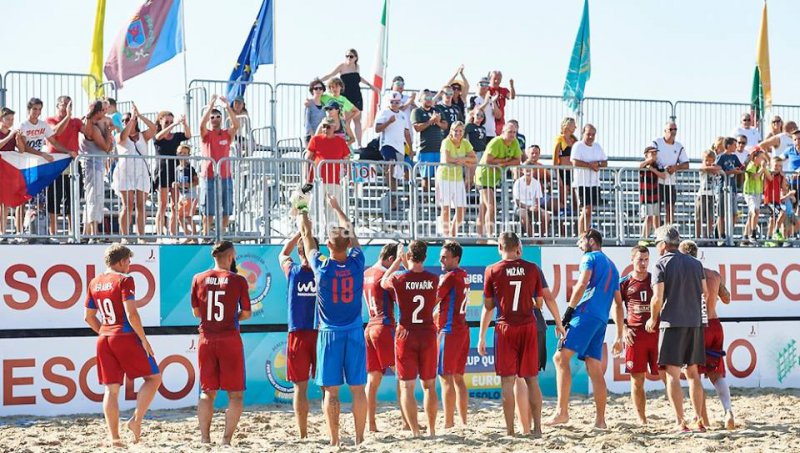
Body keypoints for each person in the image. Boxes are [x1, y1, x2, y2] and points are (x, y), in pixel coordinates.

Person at [298, 194, 367, 446]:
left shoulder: (321, 266)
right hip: (354, 331)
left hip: (329, 333)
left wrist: (303, 208)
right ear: (348, 245)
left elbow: (306, 236)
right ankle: (360, 439)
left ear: (328, 245)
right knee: (358, 389)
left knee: (331, 391)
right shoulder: (358, 262)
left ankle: (335, 440)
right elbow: (351, 232)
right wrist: (337, 207)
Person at [83, 244, 161, 447]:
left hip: (104, 337)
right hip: (124, 335)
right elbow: (131, 314)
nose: (130, 265)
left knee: (111, 390)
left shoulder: (95, 282)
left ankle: (114, 438)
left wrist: (104, 331)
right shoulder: (125, 280)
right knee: (154, 378)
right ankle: (136, 420)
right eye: (127, 261)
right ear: (119, 262)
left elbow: (88, 317)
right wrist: (144, 339)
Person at [548, 229, 623, 429]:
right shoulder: (613, 266)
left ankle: (562, 412)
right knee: (594, 368)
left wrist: (566, 315)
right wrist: (620, 333)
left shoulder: (589, 257)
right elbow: (618, 303)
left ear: (591, 240)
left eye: (581, 240)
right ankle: (600, 421)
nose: (579, 245)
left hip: (587, 312)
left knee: (560, 357)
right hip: (601, 318)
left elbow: (581, 284)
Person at [477, 232, 545, 436]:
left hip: (505, 326)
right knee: (532, 379)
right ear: (518, 247)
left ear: (499, 247)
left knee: (507, 381)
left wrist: (481, 336)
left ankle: (510, 431)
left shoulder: (492, 270)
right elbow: (539, 304)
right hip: (528, 326)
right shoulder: (532, 268)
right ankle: (538, 429)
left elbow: (488, 306)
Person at [645, 225, 708, 432]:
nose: (656, 247)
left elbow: (657, 297)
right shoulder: (695, 264)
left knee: (672, 373)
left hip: (672, 322)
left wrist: (653, 319)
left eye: (656, 243)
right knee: (693, 373)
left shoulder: (661, 264)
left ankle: (680, 421)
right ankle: (699, 420)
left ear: (663, 244)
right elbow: (705, 294)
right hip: (694, 322)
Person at [190, 241, 252, 445]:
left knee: (207, 393)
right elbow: (246, 313)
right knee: (235, 396)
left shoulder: (198, 278)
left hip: (206, 339)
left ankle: (205, 438)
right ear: (230, 256)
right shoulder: (238, 280)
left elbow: (196, 312)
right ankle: (226, 441)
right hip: (229, 339)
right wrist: (230, 317)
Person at [381, 241, 440, 437]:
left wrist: (398, 260)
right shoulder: (434, 279)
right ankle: (431, 430)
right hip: (428, 332)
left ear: (408, 256)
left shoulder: (399, 278)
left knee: (407, 386)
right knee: (429, 385)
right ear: (425, 256)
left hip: (406, 333)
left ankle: (415, 431)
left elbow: (383, 281)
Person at [678, 240, 735, 430]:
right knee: (716, 373)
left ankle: (703, 420)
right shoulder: (714, 274)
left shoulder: (686, 275)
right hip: (715, 325)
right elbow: (727, 299)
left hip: (697, 326)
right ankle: (728, 411)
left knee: (694, 375)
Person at [278, 232, 319, 439]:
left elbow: (283, 253)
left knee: (299, 388)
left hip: (298, 333)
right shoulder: (324, 270)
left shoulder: (293, 271)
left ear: (299, 251)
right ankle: (332, 432)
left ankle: (303, 434)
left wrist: (298, 233)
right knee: (328, 387)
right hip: (321, 332)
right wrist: (306, 235)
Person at [620, 245, 665, 424]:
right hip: (635, 336)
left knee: (667, 376)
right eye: (640, 259)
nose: (644, 263)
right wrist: (623, 329)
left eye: (646, 259)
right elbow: (616, 309)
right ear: (632, 260)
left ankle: (679, 417)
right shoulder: (623, 283)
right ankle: (642, 419)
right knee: (637, 380)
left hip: (656, 335)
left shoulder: (656, 280)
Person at [363, 243, 406, 433]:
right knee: (402, 375)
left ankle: (371, 424)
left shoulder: (366, 273)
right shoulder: (384, 276)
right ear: (390, 259)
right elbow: (402, 298)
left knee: (372, 380)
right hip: (384, 326)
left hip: (370, 326)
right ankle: (407, 421)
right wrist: (400, 264)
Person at [436, 241, 470, 428]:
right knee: (458, 377)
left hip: (450, 331)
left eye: (445, 256)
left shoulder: (448, 277)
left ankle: (449, 423)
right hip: (462, 329)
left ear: (455, 258)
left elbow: (434, 300)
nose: (441, 259)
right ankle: (464, 421)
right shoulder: (464, 275)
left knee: (446, 377)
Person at [114, 105, 157, 241]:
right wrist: (132, 119)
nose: (127, 122)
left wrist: (140, 115)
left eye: (128, 119)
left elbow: (154, 129)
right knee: (127, 205)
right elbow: (123, 136)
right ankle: (124, 236)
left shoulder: (142, 136)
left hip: (141, 173)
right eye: (124, 121)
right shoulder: (120, 136)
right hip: (125, 173)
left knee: (141, 205)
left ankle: (141, 236)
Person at [321, 49, 379, 147]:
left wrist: (370, 85)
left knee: (357, 120)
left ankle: (360, 144)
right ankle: (346, 141)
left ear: (356, 58)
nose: (349, 58)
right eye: (347, 56)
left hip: (356, 95)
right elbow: (331, 75)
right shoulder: (342, 66)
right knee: (346, 120)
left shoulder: (357, 67)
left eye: (351, 56)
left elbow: (359, 78)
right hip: (345, 96)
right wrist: (319, 81)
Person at [199, 95, 239, 237]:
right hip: (209, 176)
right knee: (208, 209)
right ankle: (206, 235)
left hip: (225, 176)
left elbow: (236, 125)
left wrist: (227, 107)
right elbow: (201, 126)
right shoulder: (206, 134)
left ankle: (222, 233)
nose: (215, 119)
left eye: (217, 116)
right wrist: (209, 107)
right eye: (212, 117)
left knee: (227, 207)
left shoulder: (226, 134)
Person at [474, 122, 522, 240]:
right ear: (503, 132)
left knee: (483, 208)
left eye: (514, 132)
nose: (512, 135)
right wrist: (506, 161)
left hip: (494, 178)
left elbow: (517, 161)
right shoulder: (496, 142)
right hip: (484, 176)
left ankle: (480, 239)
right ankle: (490, 236)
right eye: (510, 132)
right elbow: (488, 160)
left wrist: (502, 163)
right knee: (491, 206)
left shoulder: (514, 142)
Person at [305, 118, 351, 232]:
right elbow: (308, 158)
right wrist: (306, 178)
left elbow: (347, 159)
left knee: (333, 210)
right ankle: (313, 234)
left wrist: (348, 176)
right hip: (317, 180)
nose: (325, 129)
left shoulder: (341, 142)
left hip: (334, 181)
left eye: (328, 126)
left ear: (334, 128)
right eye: (324, 126)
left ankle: (331, 235)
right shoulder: (315, 139)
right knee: (313, 208)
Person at [45, 96, 82, 237]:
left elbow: (88, 133)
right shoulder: (50, 120)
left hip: (72, 163)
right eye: (64, 104)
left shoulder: (76, 121)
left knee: (72, 197)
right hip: (55, 162)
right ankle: (53, 233)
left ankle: (73, 232)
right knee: (54, 197)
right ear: (57, 105)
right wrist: (67, 117)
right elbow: (55, 133)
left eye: (69, 104)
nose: (67, 107)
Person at [153, 111, 191, 240]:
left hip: (175, 172)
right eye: (166, 122)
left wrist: (184, 123)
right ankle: (159, 234)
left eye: (171, 121)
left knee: (175, 205)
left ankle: (173, 233)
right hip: (163, 172)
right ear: (160, 122)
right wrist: (174, 124)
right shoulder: (158, 136)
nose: (169, 124)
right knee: (162, 204)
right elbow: (159, 137)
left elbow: (188, 135)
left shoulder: (176, 136)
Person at [80, 101, 115, 239]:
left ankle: (86, 234)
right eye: (103, 110)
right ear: (98, 112)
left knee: (93, 198)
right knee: (94, 198)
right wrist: (107, 130)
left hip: (95, 165)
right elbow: (106, 147)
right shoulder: (92, 127)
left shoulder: (91, 124)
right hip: (93, 165)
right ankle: (93, 234)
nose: (105, 113)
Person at [437, 121, 477, 237]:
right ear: (451, 131)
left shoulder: (465, 143)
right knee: (446, 208)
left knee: (461, 209)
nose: (458, 133)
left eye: (460, 131)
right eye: (456, 130)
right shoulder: (446, 142)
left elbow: (474, 159)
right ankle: (446, 235)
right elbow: (446, 159)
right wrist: (464, 161)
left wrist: (462, 160)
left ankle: (452, 233)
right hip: (445, 177)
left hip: (458, 178)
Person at [571, 124, 608, 236]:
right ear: (583, 134)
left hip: (594, 183)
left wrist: (598, 164)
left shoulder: (597, 146)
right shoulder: (578, 145)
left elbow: (605, 162)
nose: (591, 137)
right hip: (581, 183)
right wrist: (590, 165)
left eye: (593, 134)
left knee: (589, 210)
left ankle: (585, 233)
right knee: (586, 209)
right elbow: (574, 162)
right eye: (588, 134)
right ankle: (581, 235)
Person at [652, 121, 689, 226]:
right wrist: (660, 167)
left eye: (675, 129)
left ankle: (669, 230)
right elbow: (650, 156)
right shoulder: (656, 142)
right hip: (657, 179)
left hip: (670, 181)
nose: (673, 132)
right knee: (656, 208)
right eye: (670, 129)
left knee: (670, 207)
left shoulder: (679, 146)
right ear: (665, 131)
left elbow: (686, 164)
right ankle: (658, 232)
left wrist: (675, 167)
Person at [411, 89, 448, 191]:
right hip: (425, 149)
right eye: (426, 98)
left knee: (439, 177)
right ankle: (425, 201)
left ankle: (437, 201)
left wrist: (438, 122)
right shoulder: (417, 111)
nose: (429, 100)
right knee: (425, 177)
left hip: (438, 149)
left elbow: (445, 126)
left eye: (430, 98)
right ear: (420, 99)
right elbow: (417, 127)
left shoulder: (437, 111)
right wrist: (430, 121)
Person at [375, 91, 412, 192]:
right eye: (392, 102)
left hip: (400, 146)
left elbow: (407, 133)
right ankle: (390, 191)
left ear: (400, 103)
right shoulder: (384, 112)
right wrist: (388, 122)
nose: (394, 104)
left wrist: (411, 149)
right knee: (390, 164)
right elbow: (377, 129)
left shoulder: (403, 115)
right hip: (387, 144)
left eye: (397, 102)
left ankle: (393, 196)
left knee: (397, 173)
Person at [715, 137, 744, 241]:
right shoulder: (721, 157)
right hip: (722, 189)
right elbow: (718, 171)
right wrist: (732, 172)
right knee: (721, 214)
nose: (736, 147)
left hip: (732, 189)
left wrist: (739, 170)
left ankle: (729, 233)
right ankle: (721, 236)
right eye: (734, 145)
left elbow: (741, 167)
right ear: (728, 145)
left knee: (734, 214)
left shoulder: (735, 157)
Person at [320, 77, 360, 146]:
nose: (334, 89)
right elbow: (315, 98)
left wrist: (347, 120)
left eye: (336, 86)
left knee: (346, 142)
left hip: (340, 125)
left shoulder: (343, 99)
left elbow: (356, 111)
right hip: (329, 124)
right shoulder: (325, 97)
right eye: (332, 87)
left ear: (341, 87)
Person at [0, 107, 20, 238]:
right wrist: (10, 135)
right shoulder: (7, 134)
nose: (10, 122)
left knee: (5, 203)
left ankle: (3, 232)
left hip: (8, 172)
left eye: (12, 119)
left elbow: (22, 150)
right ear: (1, 119)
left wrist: (19, 138)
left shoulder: (13, 134)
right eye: (8, 119)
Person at [639, 146, 666, 243]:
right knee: (648, 216)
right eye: (652, 153)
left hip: (655, 195)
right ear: (646, 154)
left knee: (656, 216)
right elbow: (639, 166)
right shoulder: (644, 164)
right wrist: (648, 162)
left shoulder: (657, 165)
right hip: (646, 195)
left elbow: (663, 175)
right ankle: (644, 238)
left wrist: (652, 169)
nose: (654, 155)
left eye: (655, 153)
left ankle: (657, 237)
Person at [513, 167, 549, 238]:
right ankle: (532, 238)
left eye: (530, 170)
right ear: (522, 171)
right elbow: (517, 203)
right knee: (523, 214)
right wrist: (529, 208)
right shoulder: (517, 183)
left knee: (546, 215)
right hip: (520, 208)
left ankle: (540, 238)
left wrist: (536, 206)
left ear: (533, 171)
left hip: (533, 207)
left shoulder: (536, 182)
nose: (528, 172)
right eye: (527, 170)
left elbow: (538, 199)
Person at [743, 150, 768, 244]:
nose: (763, 160)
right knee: (755, 211)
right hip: (750, 192)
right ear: (755, 157)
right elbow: (755, 177)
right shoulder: (751, 165)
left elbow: (769, 177)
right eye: (761, 157)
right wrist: (763, 168)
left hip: (758, 192)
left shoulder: (760, 166)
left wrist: (765, 170)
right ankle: (753, 234)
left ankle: (745, 236)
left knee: (752, 214)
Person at [553, 117, 578, 215]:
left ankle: (577, 217)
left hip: (573, 171)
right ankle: (562, 223)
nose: (575, 127)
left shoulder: (575, 140)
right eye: (573, 125)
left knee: (575, 196)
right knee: (563, 195)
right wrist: (558, 177)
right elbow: (555, 160)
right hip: (563, 171)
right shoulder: (559, 139)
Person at [696, 149, 722, 241]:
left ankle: (708, 236)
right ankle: (698, 237)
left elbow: (719, 168)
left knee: (710, 218)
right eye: (706, 160)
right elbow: (704, 168)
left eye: (711, 160)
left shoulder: (714, 167)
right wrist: (713, 168)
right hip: (702, 195)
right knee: (699, 217)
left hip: (711, 195)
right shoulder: (703, 167)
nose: (708, 162)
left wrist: (715, 167)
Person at [764, 155, 790, 245]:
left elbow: (784, 188)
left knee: (772, 219)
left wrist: (784, 177)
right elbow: (769, 179)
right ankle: (776, 233)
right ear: (771, 165)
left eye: (780, 166)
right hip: (769, 200)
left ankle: (769, 238)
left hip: (777, 200)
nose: (778, 168)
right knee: (782, 213)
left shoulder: (780, 175)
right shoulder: (769, 173)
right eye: (776, 165)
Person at [487, 70, 515, 135]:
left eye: (499, 79)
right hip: (489, 121)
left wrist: (511, 86)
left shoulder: (503, 90)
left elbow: (511, 97)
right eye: (495, 79)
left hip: (500, 122)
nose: (497, 81)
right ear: (490, 78)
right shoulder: (487, 89)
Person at [304, 78, 326, 144]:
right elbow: (306, 121)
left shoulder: (324, 105)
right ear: (312, 90)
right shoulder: (309, 103)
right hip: (311, 137)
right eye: (316, 88)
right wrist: (313, 136)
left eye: (320, 88)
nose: (318, 90)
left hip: (322, 136)